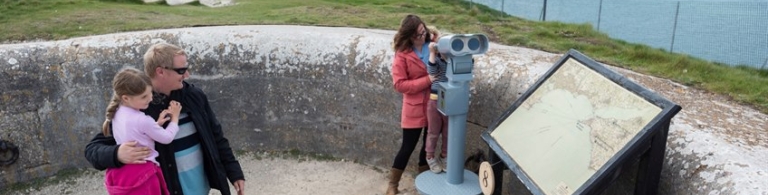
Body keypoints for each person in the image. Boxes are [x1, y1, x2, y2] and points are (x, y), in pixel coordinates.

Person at [84, 43, 246, 195]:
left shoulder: (194, 96)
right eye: (181, 71)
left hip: (200, 188)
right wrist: (117, 153)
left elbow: (216, 136)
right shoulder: (136, 108)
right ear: (160, 71)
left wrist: (234, 172)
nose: (187, 74)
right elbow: (92, 150)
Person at [102, 67, 182, 195]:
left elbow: (137, 132)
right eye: (144, 96)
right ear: (126, 98)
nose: (150, 98)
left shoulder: (117, 112)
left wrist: (156, 125)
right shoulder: (142, 120)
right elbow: (166, 138)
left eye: (150, 93)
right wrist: (175, 118)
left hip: (125, 170)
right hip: (143, 172)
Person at [387, 14, 437, 195]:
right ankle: (392, 185)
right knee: (407, 147)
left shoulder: (433, 43)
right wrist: (427, 80)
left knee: (428, 146)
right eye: (417, 35)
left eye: (423, 32)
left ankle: (424, 184)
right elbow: (399, 84)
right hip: (414, 108)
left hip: (434, 104)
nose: (422, 37)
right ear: (408, 36)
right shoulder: (402, 54)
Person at [424, 26, 449, 173]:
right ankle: (430, 156)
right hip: (434, 100)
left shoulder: (453, 61)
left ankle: (444, 156)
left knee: (448, 131)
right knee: (433, 131)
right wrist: (432, 53)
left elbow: (469, 65)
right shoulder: (438, 61)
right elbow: (432, 71)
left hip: (450, 100)